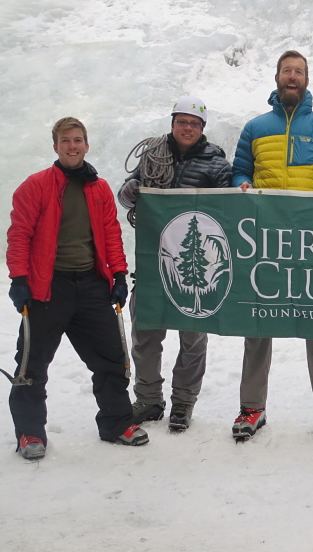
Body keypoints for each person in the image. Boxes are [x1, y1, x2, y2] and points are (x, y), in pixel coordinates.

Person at [5, 117, 148, 460]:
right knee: (31, 363)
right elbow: (19, 234)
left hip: (91, 285)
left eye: (78, 140)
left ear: (87, 145)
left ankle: (116, 424)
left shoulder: (97, 188)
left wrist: (118, 275)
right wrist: (19, 279)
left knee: (113, 359)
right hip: (47, 288)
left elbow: (111, 233)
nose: (72, 146)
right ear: (56, 146)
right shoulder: (35, 186)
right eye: (66, 140)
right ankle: (29, 433)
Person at [231, 50, 313, 444]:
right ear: (277, 77)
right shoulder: (255, 127)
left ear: (307, 80)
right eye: (286, 71)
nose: (291, 77)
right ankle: (252, 407)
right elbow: (240, 170)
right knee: (259, 320)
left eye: (298, 71)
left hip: (310, 240)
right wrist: (240, 185)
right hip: (265, 238)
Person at [118, 96, 232, 432]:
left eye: (194, 124)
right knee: (146, 335)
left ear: (202, 129)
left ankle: (183, 402)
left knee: (193, 337)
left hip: (198, 267)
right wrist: (136, 187)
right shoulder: (154, 155)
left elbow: (228, 211)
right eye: (182, 121)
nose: (187, 128)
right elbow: (124, 196)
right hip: (154, 262)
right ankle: (149, 399)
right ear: (172, 124)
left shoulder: (216, 165)